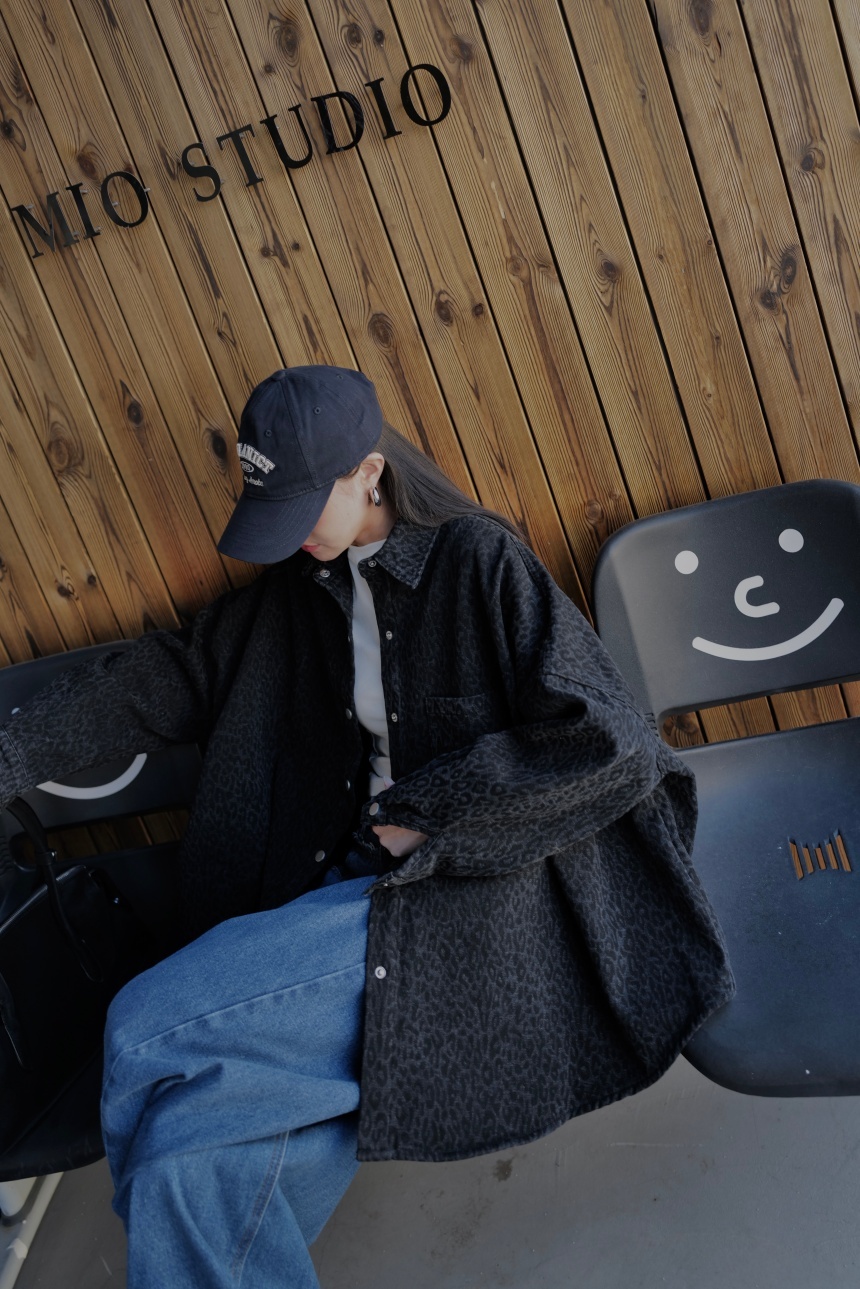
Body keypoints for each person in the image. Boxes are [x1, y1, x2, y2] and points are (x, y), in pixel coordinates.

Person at [0, 366, 734, 1288]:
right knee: (185, 1167)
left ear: (370, 471)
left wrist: (436, 813)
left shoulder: (477, 562)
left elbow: (610, 739)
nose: (294, 535)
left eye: (306, 506)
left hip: (450, 912)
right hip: (342, 897)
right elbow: (163, 676)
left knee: (143, 1030)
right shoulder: (295, 598)